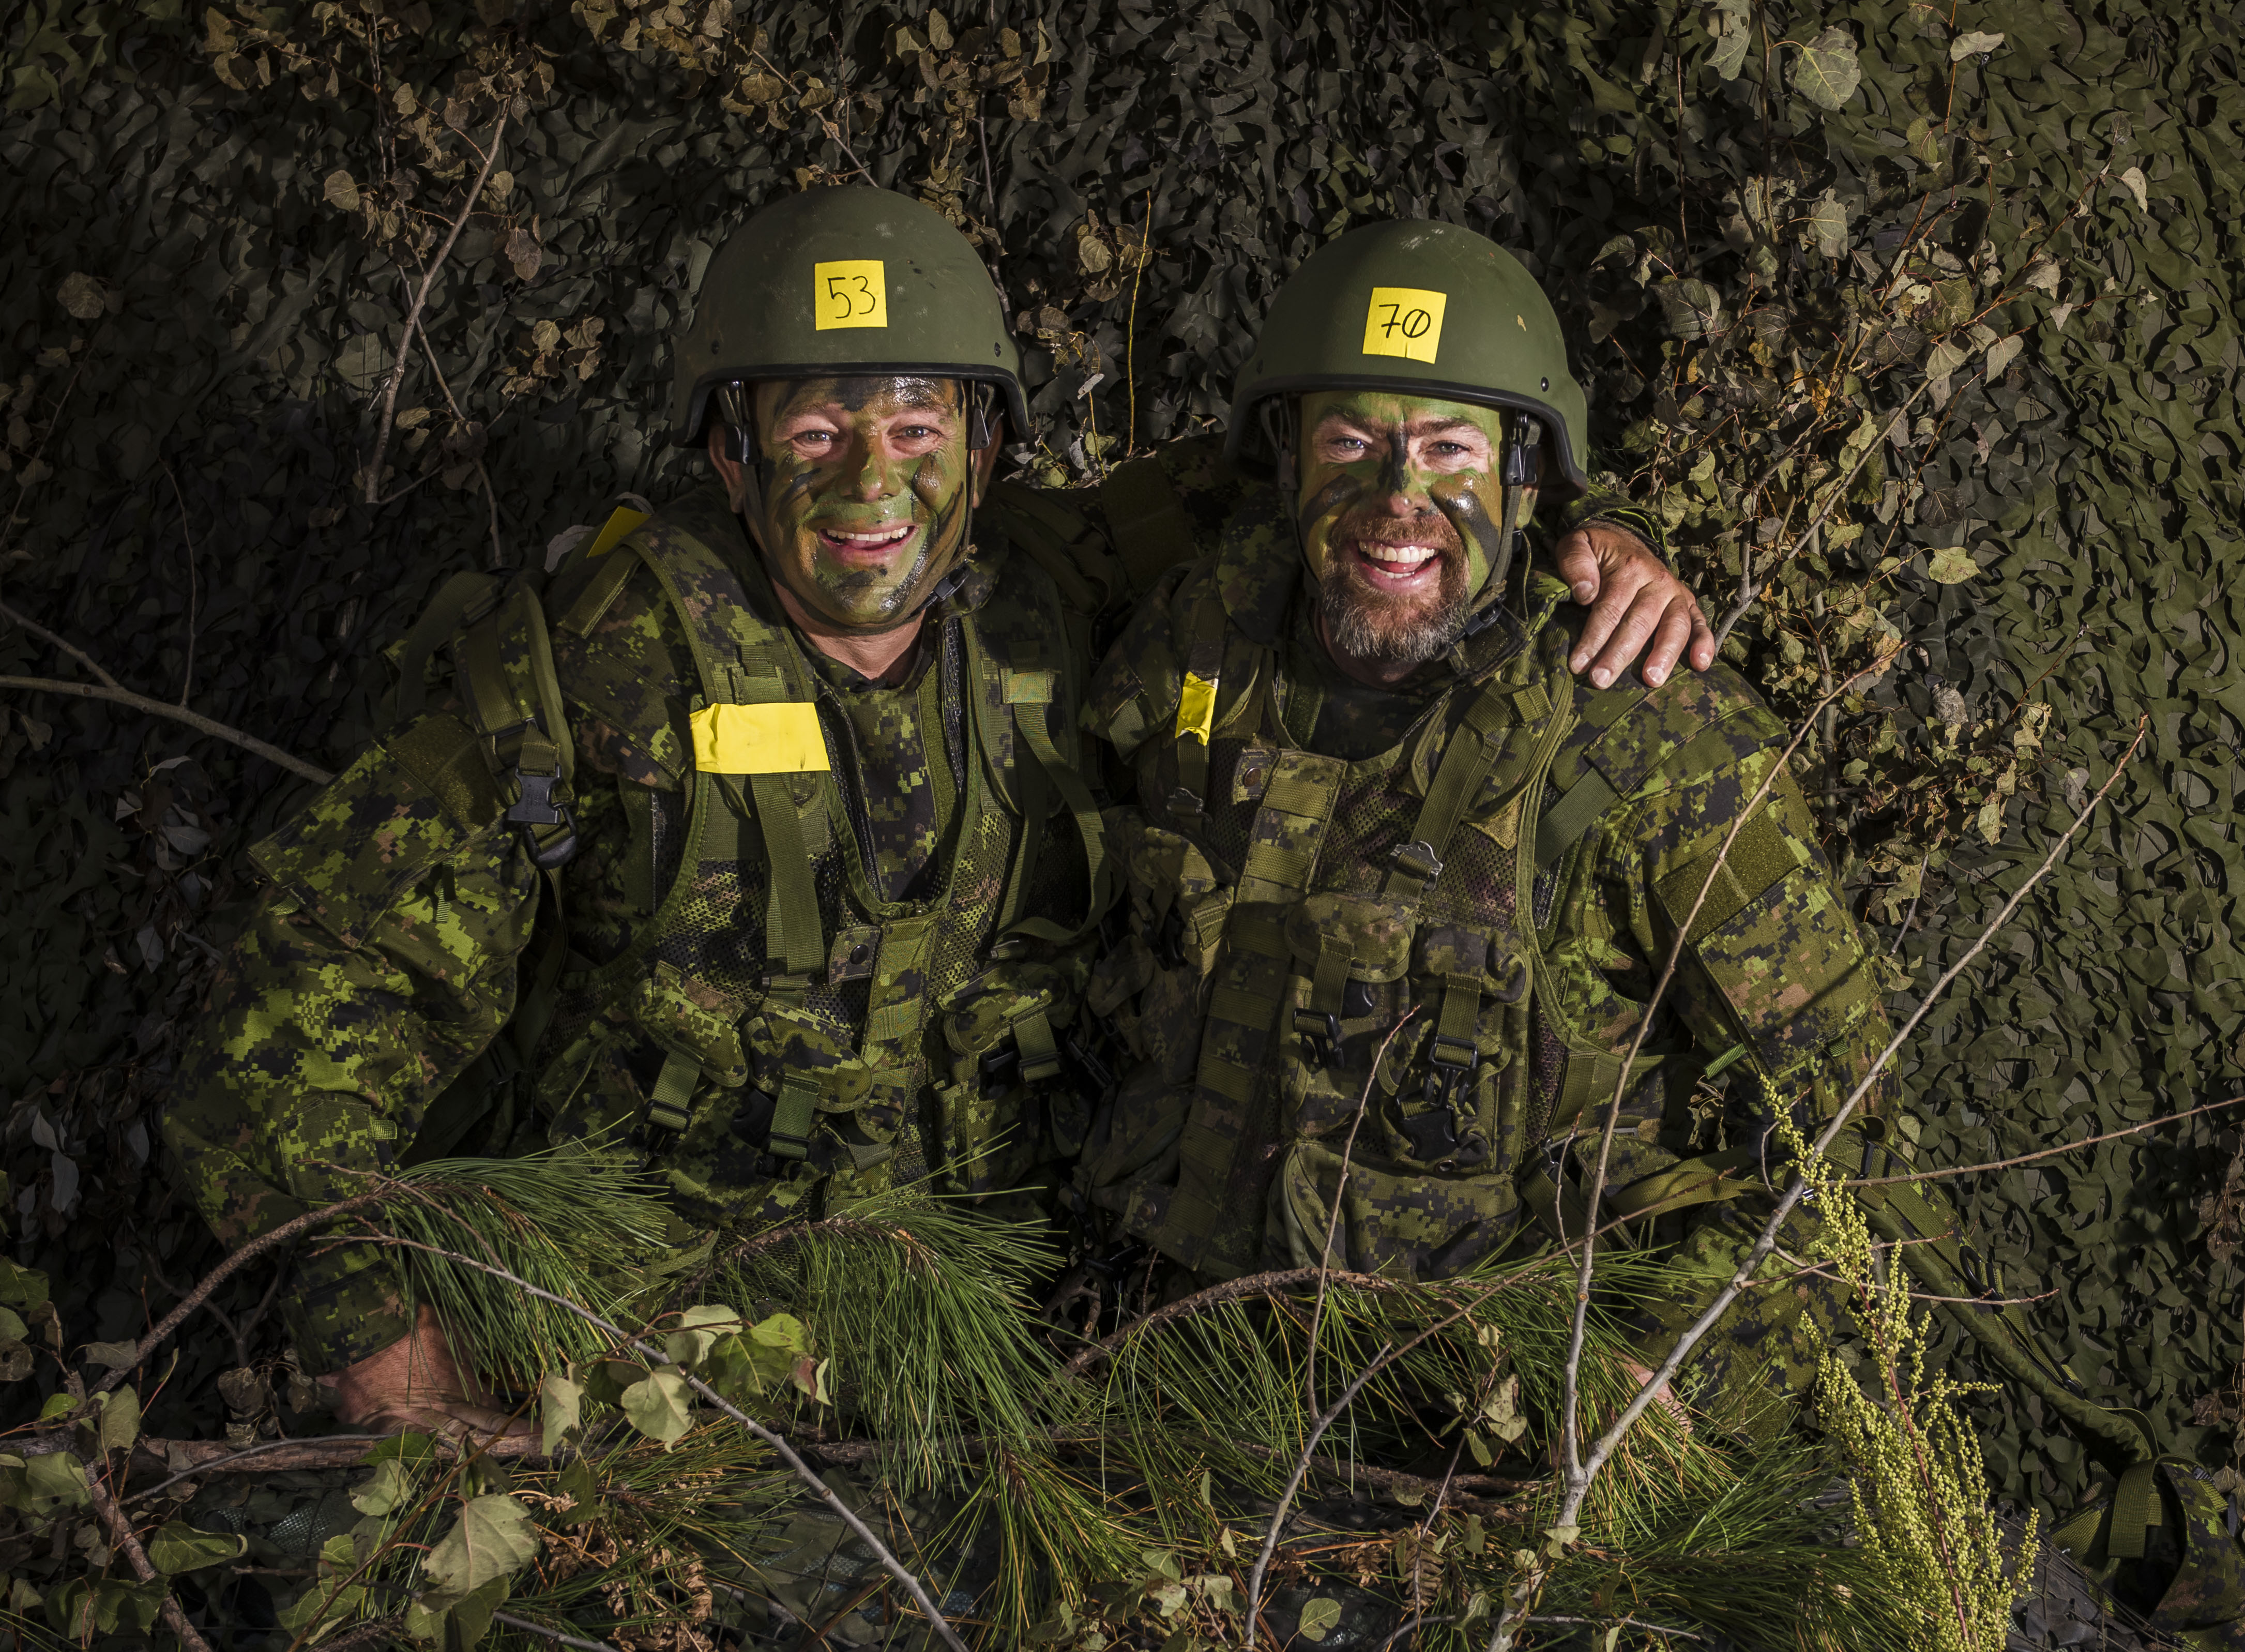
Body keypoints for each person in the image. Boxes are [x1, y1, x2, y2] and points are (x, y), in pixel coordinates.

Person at [162, 190, 1710, 1438]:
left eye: (914, 432)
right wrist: (385, 1342)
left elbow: (1348, 472)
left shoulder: (1052, 589)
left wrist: (1592, 520)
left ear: (984, 448)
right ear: (729, 452)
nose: (869, 489)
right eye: (814, 436)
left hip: (980, 1350)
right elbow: (298, 1016)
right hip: (638, 1358)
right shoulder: (591, 668)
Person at [1074, 217, 1941, 1428]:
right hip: (1172, 1376)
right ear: (1286, 459)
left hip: (1494, 1424)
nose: (1397, 502)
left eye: (1449, 452)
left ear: (1524, 479)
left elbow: (1843, 1132)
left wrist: (1655, 1394)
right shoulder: (1195, 632)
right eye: (1349, 443)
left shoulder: (1642, 734)